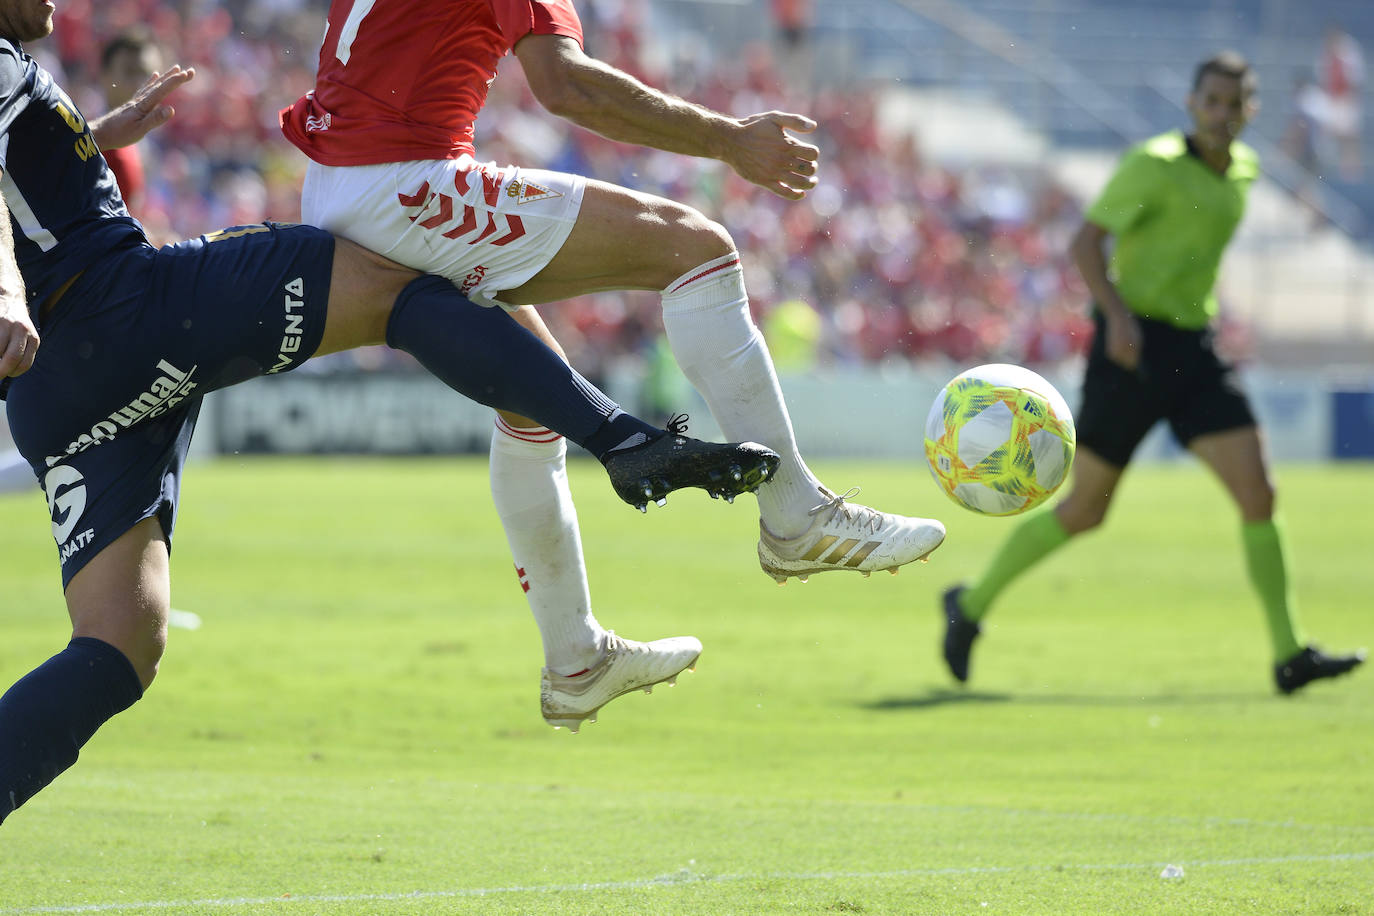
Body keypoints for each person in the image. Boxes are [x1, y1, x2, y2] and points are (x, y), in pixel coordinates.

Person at [0, 0, 783, 825]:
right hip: (116, 311)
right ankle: (621, 440)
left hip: (64, 393)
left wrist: (90, 134)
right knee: (396, 275)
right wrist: (6, 290)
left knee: (121, 641)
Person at [279, 0, 947, 729]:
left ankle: (577, 660)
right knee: (694, 248)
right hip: (403, 183)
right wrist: (729, 139)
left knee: (532, 390)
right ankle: (797, 516)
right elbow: (566, 87)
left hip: (341, 183)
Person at [939, 52, 1365, 696]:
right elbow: (1085, 243)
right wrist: (1117, 317)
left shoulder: (1245, 171)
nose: (1222, 114)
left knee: (1260, 494)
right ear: (1192, 103)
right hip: (1130, 349)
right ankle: (969, 605)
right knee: (1084, 511)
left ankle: (1288, 654)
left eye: (1234, 104)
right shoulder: (1154, 164)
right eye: (1211, 101)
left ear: (1251, 111)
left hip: (1194, 350)